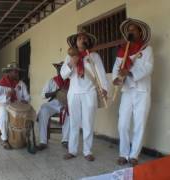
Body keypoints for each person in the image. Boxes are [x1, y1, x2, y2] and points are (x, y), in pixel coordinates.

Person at [61, 30, 108, 161]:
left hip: (89, 92)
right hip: (74, 93)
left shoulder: (94, 56)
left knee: (88, 122)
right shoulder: (69, 57)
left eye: (85, 38)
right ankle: (72, 150)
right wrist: (71, 63)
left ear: (88, 42)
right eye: (80, 38)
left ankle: (87, 151)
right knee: (74, 122)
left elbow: (101, 73)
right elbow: (63, 74)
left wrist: (104, 88)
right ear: (76, 42)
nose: (82, 40)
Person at [112, 18, 153, 166]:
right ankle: (123, 153)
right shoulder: (122, 51)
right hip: (127, 91)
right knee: (122, 123)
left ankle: (134, 154)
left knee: (139, 123)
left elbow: (148, 68)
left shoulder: (146, 49)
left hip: (142, 91)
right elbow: (117, 69)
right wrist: (117, 78)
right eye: (129, 30)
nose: (131, 32)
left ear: (139, 32)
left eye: (133, 29)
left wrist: (129, 71)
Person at [0, 62, 30, 149]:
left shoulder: (21, 84)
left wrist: (25, 100)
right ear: (9, 72)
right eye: (15, 72)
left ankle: (22, 138)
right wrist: (6, 96)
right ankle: (4, 139)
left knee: (30, 114)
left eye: (17, 72)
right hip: (4, 105)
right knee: (4, 116)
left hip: (17, 106)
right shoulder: (2, 83)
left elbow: (27, 96)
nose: (17, 73)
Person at [37, 61, 70, 150]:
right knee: (43, 110)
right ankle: (43, 141)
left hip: (66, 104)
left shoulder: (71, 81)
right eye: (58, 69)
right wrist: (55, 93)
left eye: (62, 69)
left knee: (69, 113)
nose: (59, 71)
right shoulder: (52, 81)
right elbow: (43, 95)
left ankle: (65, 140)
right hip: (53, 103)